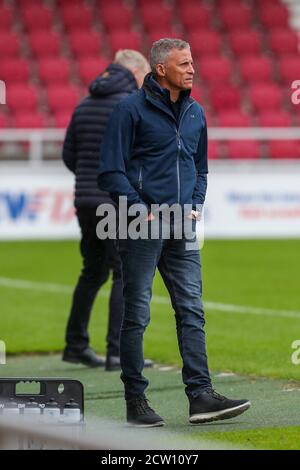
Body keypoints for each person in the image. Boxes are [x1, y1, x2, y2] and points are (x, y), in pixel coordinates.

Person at [98, 39, 251, 425]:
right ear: (161, 69)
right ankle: (136, 401)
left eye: (192, 62)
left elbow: (201, 168)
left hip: (183, 223)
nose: (192, 69)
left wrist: (196, 204)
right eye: (183, 63)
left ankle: (200, 396)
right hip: (139, 224)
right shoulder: (128, 110)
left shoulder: (197, 112)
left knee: (191, 311)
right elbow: (110, 171)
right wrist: (139, 209)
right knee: (137, 315)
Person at [62, 50, 153, 371]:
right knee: (124, 273)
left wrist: (89, 182)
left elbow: (69, 155)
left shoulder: (84, 103)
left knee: (93, 271)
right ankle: (119, 353)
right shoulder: (130, 104)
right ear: (136, 72)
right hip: (115, 201)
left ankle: (75, 345)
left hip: (85, 200)